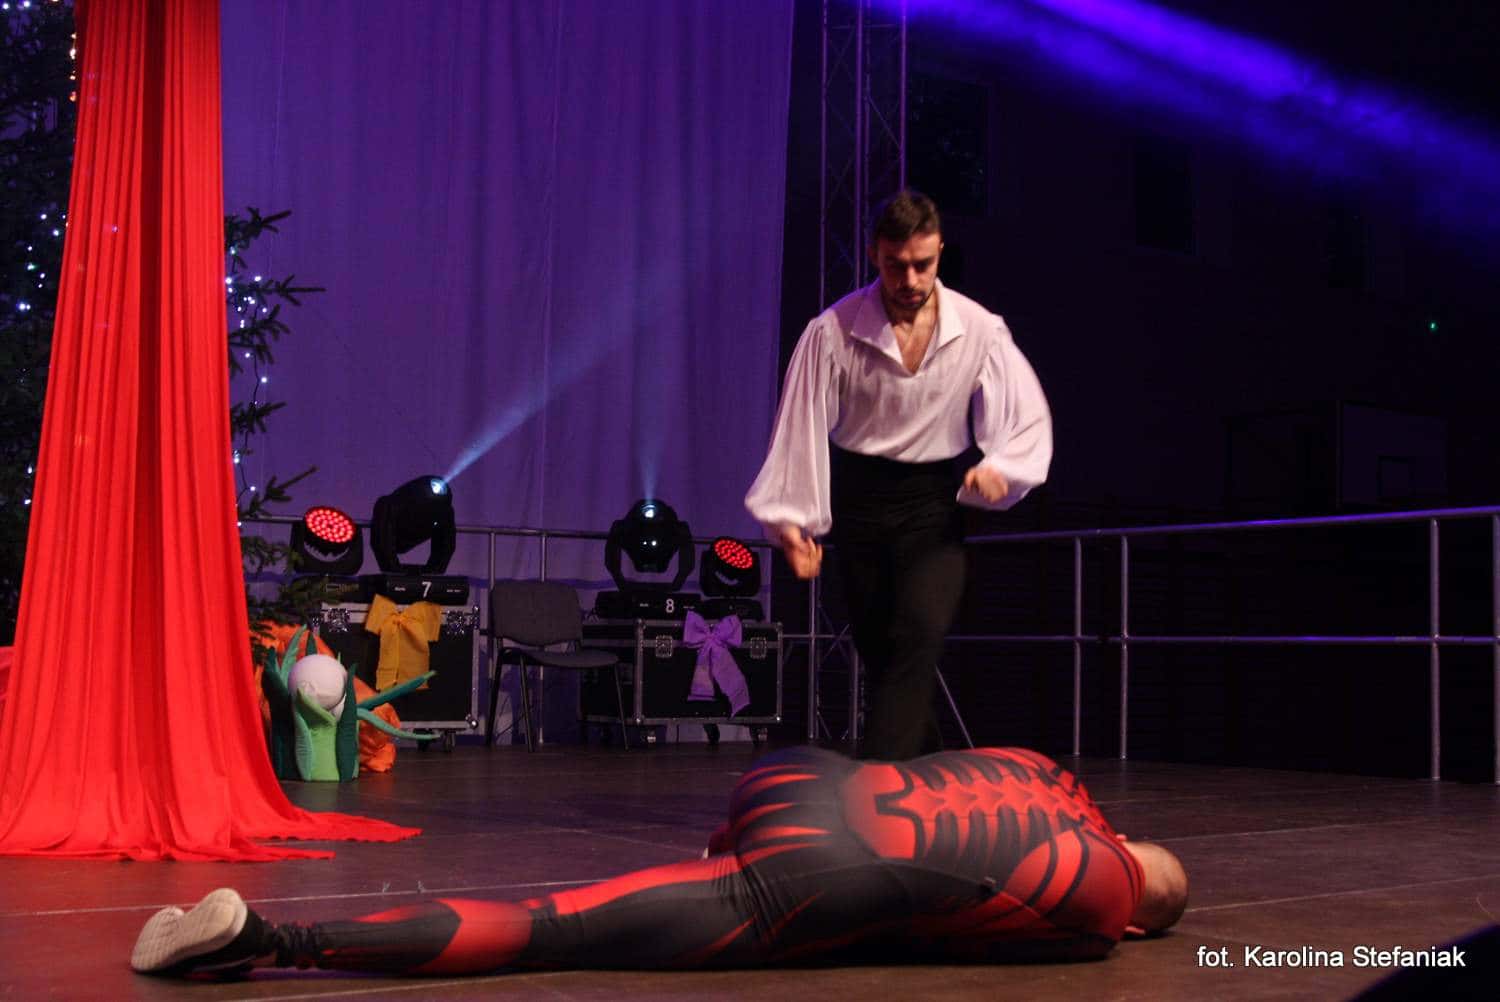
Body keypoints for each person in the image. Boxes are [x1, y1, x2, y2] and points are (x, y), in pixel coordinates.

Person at [131, 745, 1186, 978]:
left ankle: (715, 865)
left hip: (800, 778)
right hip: (821, 874)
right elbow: (955, 925)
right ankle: (273, 940)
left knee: (734, 867)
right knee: (551, 928)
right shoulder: (1103, 913)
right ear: (1142, 916)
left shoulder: (1048, 770)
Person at [745, 190, 1052, 760]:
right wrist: (791, 523)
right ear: (874, 255)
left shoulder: (979, 329)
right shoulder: (833, 331)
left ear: (940, 252)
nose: (909, 279)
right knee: (884, 651)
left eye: (922, 264)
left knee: (920, 631)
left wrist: (1001, 469)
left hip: (934, 506)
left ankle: (877, 776)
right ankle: (925, 767)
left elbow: (1025, 415)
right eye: (895, 265)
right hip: (860, 501)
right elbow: (800, 426)